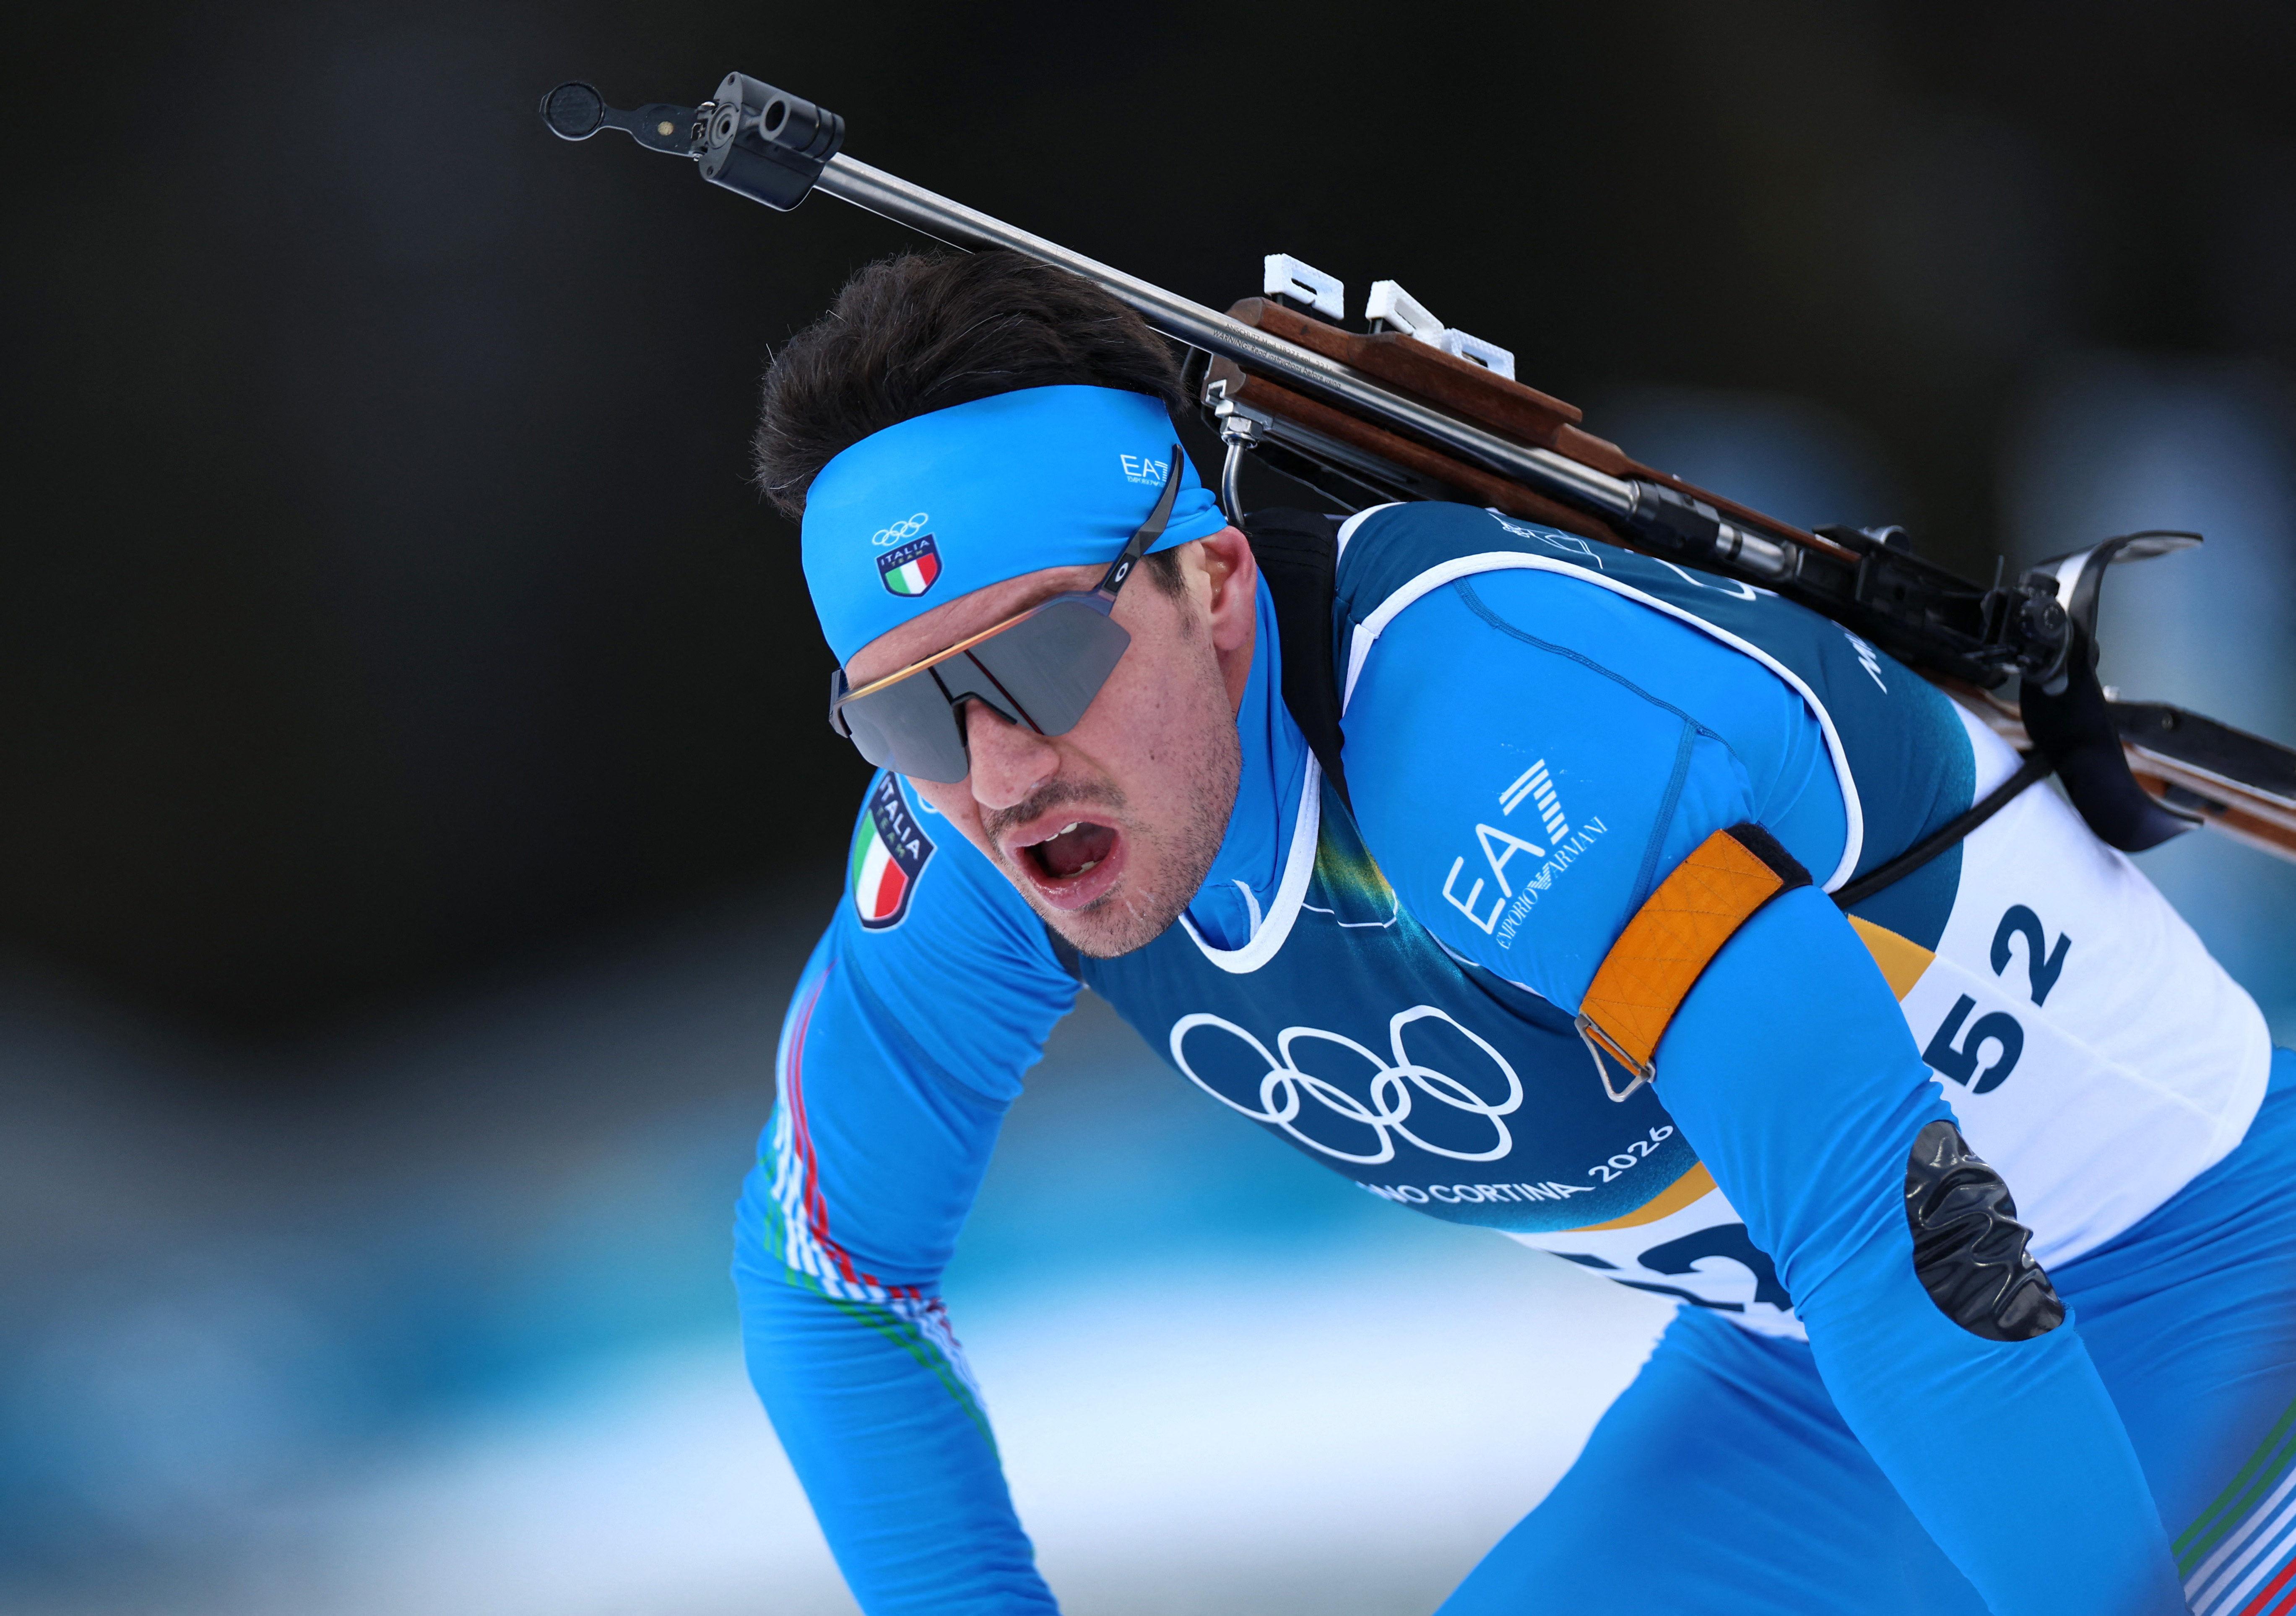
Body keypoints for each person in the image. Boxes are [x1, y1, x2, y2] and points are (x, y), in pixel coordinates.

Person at [731, 248, 2296, 1616]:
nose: (996, 771)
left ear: (1210, 582)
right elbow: (828, 1278)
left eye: (1041, 656)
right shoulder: (974, 847)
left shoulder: (1488, 725)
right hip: (1810, 1391)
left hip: (2185, 1292)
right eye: (911, 714)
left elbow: (1890, 1241)